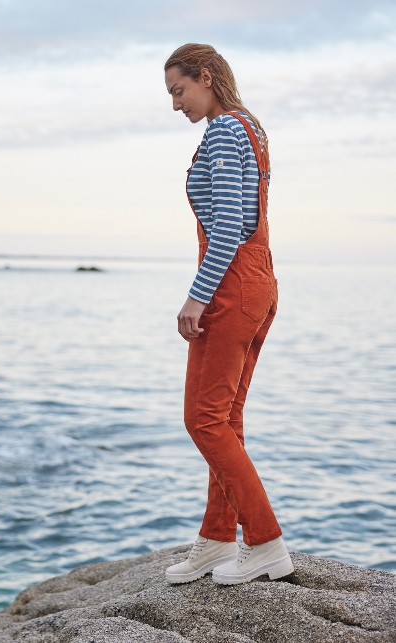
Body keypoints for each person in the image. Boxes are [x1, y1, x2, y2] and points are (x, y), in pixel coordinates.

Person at [159, 43, 293, 585]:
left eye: (179, 90)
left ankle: (264, 542)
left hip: (231, 286)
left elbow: (231, 222)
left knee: (203, 420)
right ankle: (217, 540)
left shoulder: (220, 131)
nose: (175, 105)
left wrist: (197, 295)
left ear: (206, 77)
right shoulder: (251, 127)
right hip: (260, 284)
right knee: (227, 420)